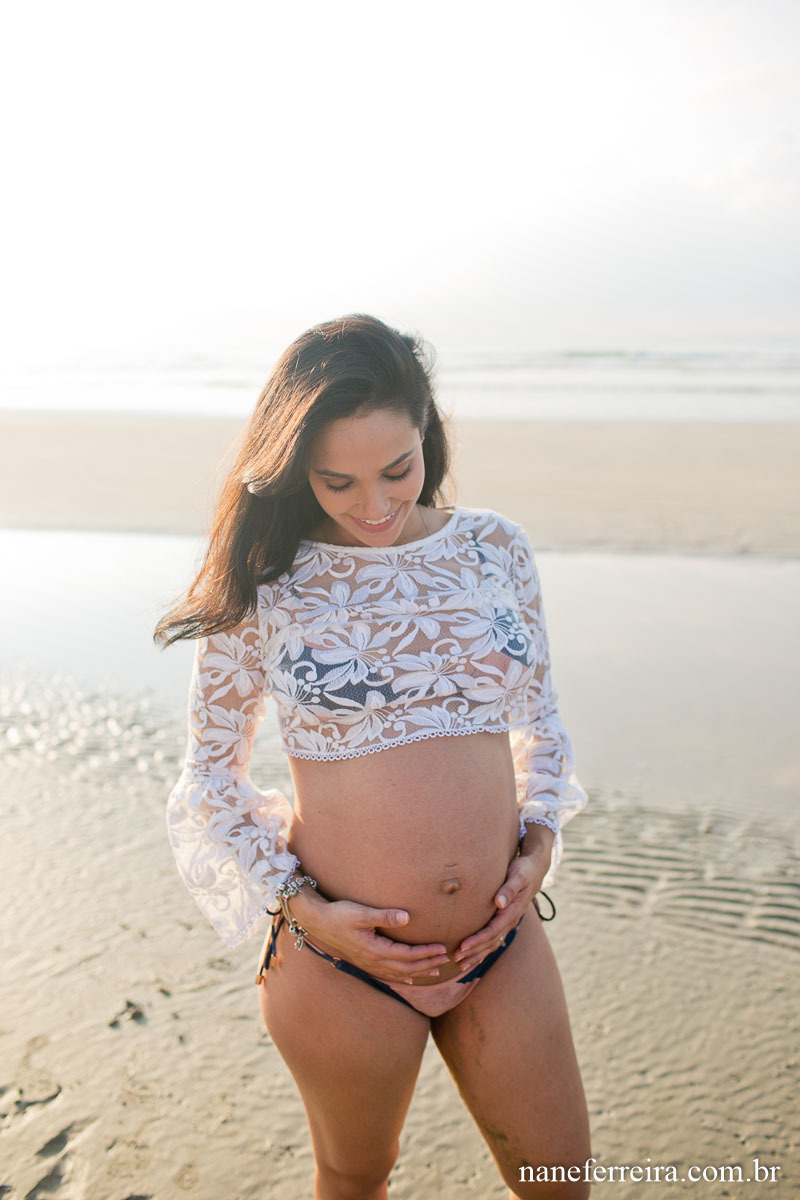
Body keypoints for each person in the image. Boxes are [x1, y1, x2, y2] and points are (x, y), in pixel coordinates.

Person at [154, 314, 591, 1199]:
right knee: (356, 1179)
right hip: (341, 960)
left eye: (397, 469)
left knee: (562, 1182)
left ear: (426, 429)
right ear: (294, 469)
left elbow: (539, 721)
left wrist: (540, 834)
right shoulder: (264, 582)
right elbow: (210, 779)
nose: (375, 504)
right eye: (336, 482)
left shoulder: (495, 547)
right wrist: (303, 910)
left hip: (498, 941)